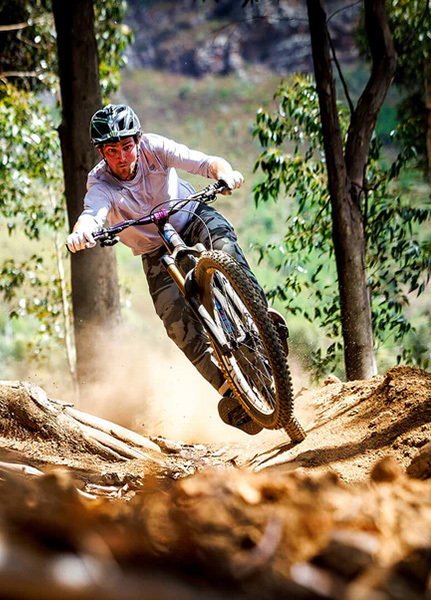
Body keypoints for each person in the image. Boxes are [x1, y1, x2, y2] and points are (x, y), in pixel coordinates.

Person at [66, 104, 288, 435]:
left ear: (138, 140)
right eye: (112, 151)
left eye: (127, 146)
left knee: (226, 248)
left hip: (190, 215)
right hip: (153, 250)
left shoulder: (155, 148)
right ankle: (231, 393)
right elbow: (91, 214)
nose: (122, 157)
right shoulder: (100, 183)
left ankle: (261, 322)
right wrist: (82, 232)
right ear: (101, 152)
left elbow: (205, 162)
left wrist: (224, 173)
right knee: (176, 322)